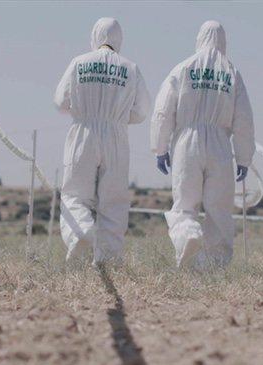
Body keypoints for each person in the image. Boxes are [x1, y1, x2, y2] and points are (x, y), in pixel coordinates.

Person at [150, 20, 255, 269]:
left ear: (199, 38)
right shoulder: (232, 72)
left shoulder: (183, 68)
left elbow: (163, 111)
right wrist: (243, 157)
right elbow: (243, 119)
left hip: (186, 143)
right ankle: (214, 264)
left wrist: (160, 147)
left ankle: (188, 234)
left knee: (185, 203)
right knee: (219, 210)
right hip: (220, 145)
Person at [54, 17, 150, 265]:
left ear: (95, 36)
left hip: (83, 132)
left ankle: (80, 234)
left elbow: (60, 101)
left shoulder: (79, 63)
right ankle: (109, 259)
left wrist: (82, 110)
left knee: (75, 195)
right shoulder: (130, 68)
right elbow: (142, 111)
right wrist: (118, 118)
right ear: (120, 39)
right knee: (113, 201)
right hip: (116, 136)